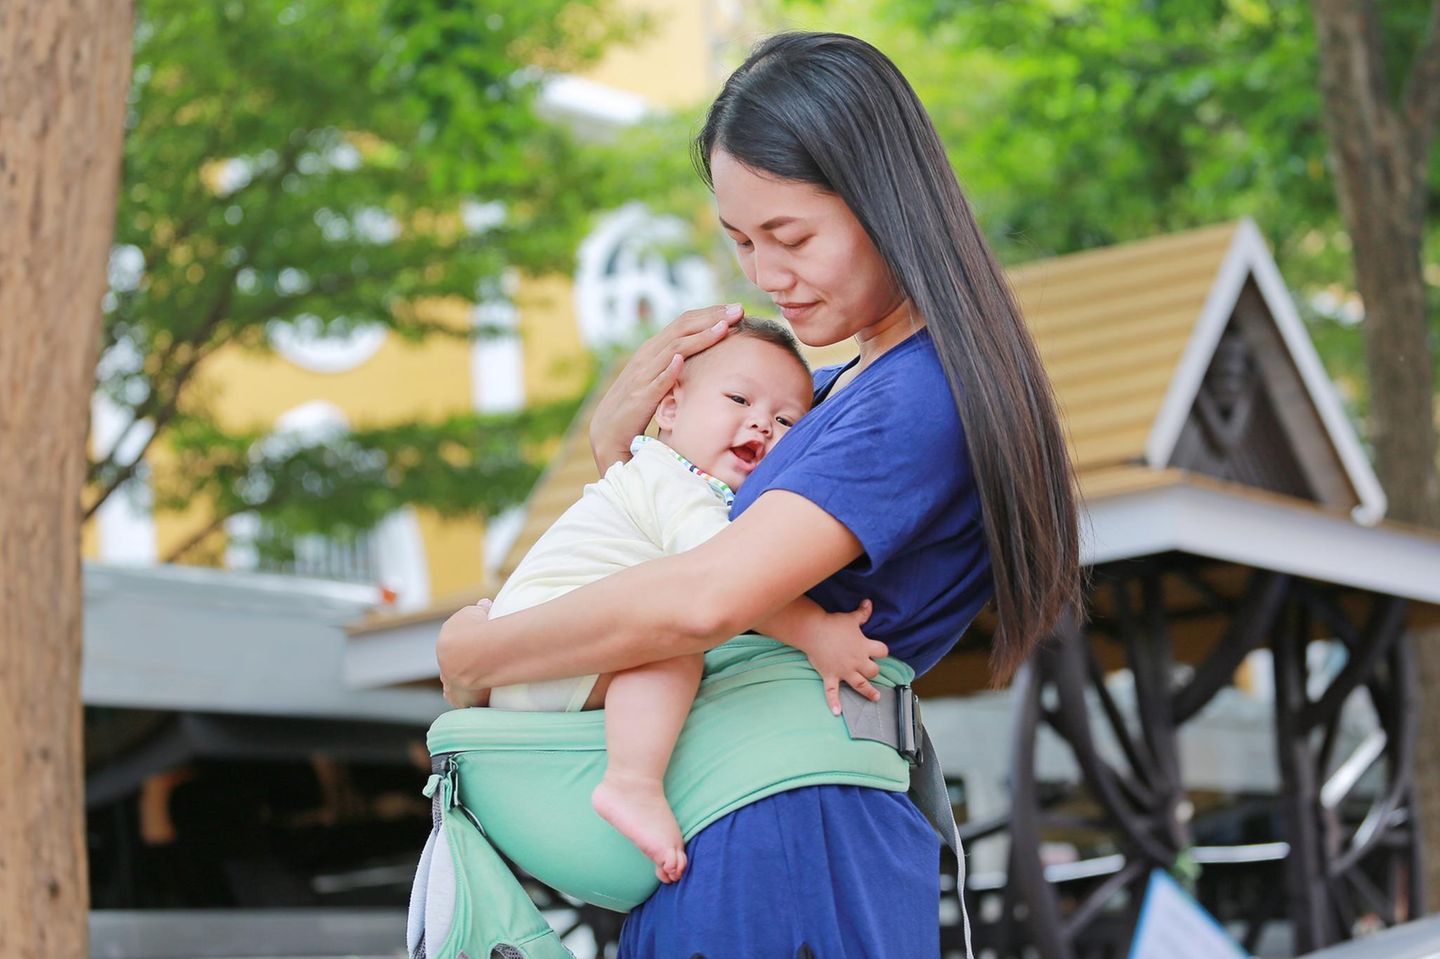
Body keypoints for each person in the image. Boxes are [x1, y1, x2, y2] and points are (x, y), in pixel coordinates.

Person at [438, 31, 1080, 957]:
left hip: (782, 827)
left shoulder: (916, 398)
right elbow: (678, 550)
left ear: (884, 203)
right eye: (741, 239)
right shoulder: (833, 392)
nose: (763, 276)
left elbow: (704, 594)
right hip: (741, 819)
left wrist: (480, 652)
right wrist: (626, 459)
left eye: (790, 236)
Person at [486, 318, 887, 885]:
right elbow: (730, 581)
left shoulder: (667, 483)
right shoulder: (672, 480)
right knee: (678, 633)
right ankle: (632, 783)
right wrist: (817, 631)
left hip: (536, 659)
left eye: (784, 421)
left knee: (673, 628)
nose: (759, 423)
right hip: (546, 652)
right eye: (739, 398)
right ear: (669, 410)